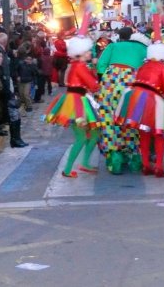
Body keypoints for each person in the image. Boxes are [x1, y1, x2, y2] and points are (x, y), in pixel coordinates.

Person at [115, 25, 164, 178]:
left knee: (143, 132)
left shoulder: (144, 65)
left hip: (135, 97)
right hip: (153, 100)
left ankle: (145, 165)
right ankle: (158, 167)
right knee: (159, 134)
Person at [44, 33, 100, 178]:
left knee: (93, 133)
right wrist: (94, 69)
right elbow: (93, 85)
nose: (89, 53)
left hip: (78, 100)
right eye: (88, 51)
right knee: (81, 137)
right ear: (80, 53)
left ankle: (85, 163)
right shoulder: (80, 66)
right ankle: (68, 169)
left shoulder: (76, 65)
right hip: (77, 104)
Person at [96, 26, 147, 175]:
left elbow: (100, 66)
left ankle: (115, 157)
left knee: (110, 118)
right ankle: (134, 158)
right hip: (132, 81)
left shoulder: (112, 46)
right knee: (132, 116)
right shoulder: (141, 48)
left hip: (111, 81)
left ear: (119, 36)